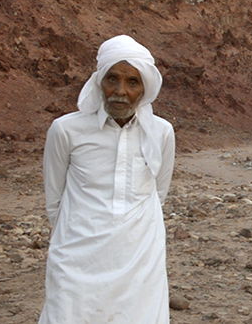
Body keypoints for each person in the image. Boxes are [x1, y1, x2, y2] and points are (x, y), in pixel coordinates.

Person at [39, 35, 176, 324]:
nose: (120, 91)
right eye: (112, 79)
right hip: (77, 255)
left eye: (132, 82)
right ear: (99, 80)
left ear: (145, 88)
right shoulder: (66, 130)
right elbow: (54, 200)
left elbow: (158, 191)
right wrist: (71, 237)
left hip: (140, 254)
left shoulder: (161, 132)